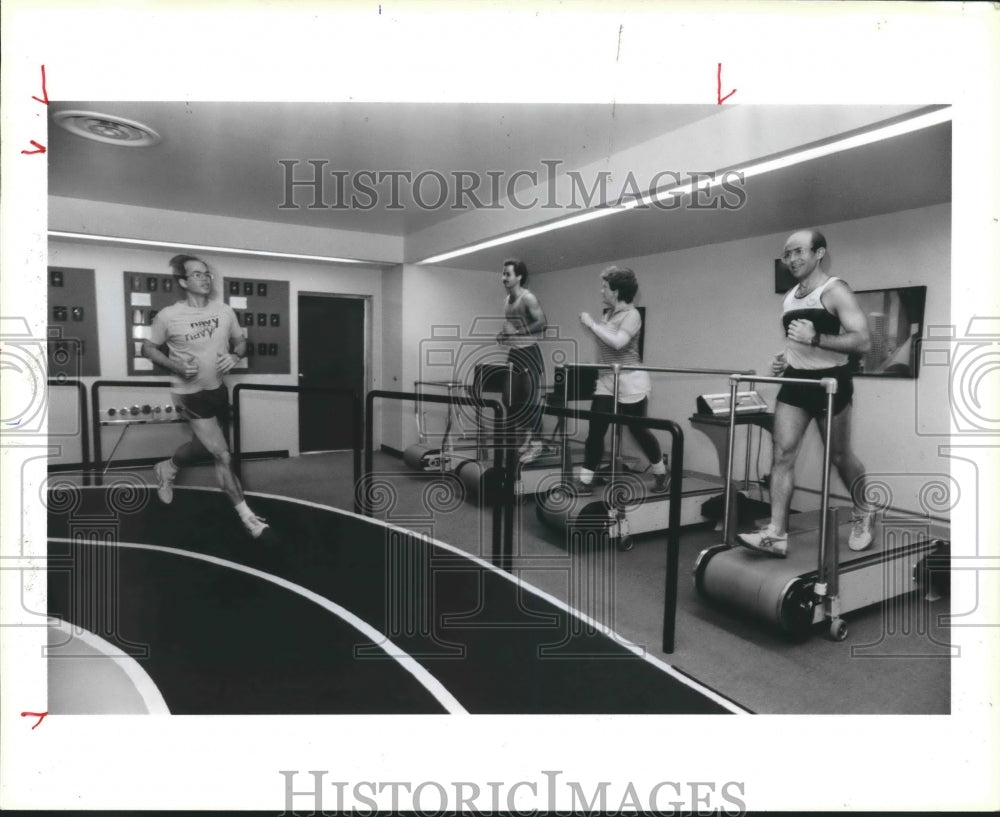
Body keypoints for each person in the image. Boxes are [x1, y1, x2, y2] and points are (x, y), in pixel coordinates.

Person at [737, 229, 873, 557]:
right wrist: (786, 359)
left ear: (819, 253)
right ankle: (776, 532)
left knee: (839, 457)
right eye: (787, 254)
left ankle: (863, 510)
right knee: (782, 454)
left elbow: (863, 341)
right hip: (797, 381)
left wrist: (816, 339)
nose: (792, 260)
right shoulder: (790, 296)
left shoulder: (835, 290)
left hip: (832, 383)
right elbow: (797, 340)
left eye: (799, 252)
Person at [142, 254, 270, 539]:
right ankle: (249, 519)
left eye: (207, 273)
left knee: (202, 448)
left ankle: (168, 467)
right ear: (183, 282)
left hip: (216, 390)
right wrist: (175, 366)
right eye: (197, 274)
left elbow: (241, 341)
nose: (205, 278)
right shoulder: (168, 316)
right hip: (189, 393)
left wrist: (236, 356)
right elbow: (148, 349)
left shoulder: (225, 311)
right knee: (222, 454)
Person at [574, 265, 668, 495]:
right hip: (607, 378)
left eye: (604, 287)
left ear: (616, 291)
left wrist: (591, 324)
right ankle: (586, 480)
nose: (601, 291)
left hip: (631, 380)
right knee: (596, 429)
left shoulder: (633, 315)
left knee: (638, 430)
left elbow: (618, 342)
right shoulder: (609, 314)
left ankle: (661, 472)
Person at [497, 258, 548, 462]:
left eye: (507, 274)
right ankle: (525, 437)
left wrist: (516, 330)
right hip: (515, 354)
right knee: (509, 399)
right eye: (503, 274)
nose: (504, 278)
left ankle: (536, 443)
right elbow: (510, 330)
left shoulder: (528, 298)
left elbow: (542, 323)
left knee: (530, 401)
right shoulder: (506, 301)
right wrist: (503, 335)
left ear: (519, 276)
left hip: (529, 353)